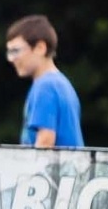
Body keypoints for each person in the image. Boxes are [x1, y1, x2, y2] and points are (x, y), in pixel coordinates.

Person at [5, 15, 84, 149]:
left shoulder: (45, 86)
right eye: (9, 52)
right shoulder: (62, 84)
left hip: (53, 170)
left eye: (16, 51)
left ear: (40, 48)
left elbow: (45, 142)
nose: (11, 59)